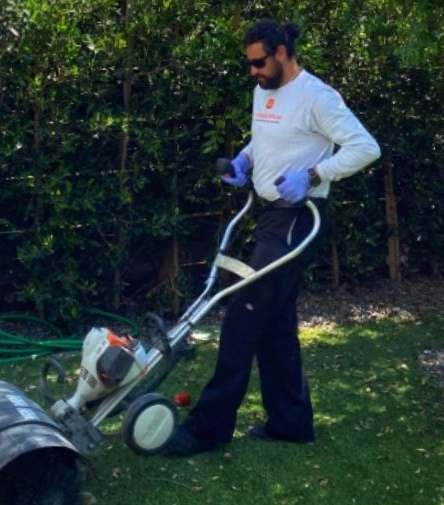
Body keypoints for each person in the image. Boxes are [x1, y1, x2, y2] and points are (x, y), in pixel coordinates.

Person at [162, 18, 380, 457]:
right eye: (250, 64)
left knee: (244, 313)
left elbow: (365, 147)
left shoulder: (318, 97)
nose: (253, 71)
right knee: (274, 324)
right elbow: (265, 139)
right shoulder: (263, 91)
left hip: (300, 218)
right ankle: (292, 423)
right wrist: (244, 160)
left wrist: (316, 174)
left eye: (259, 62)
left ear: (282, 52)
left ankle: (207, 429)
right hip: (268, 216)